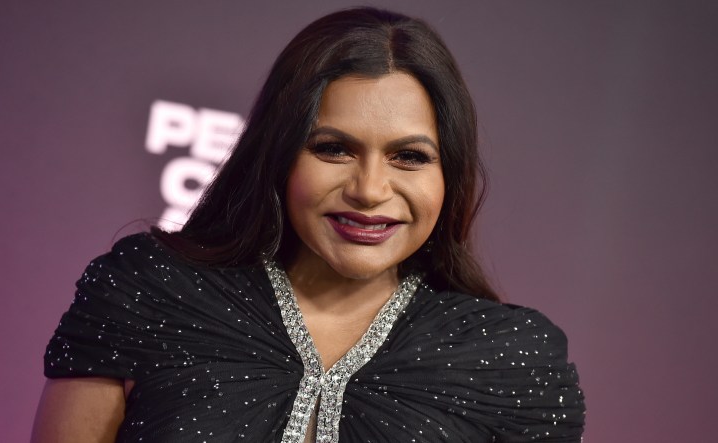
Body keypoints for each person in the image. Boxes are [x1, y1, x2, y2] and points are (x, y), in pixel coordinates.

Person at [32, 7, 585, 443]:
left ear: (450, 175)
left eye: (409, 157)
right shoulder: (148, 288)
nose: (370, 189)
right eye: (333, 149)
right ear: (279, 152)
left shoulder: (514, 356)